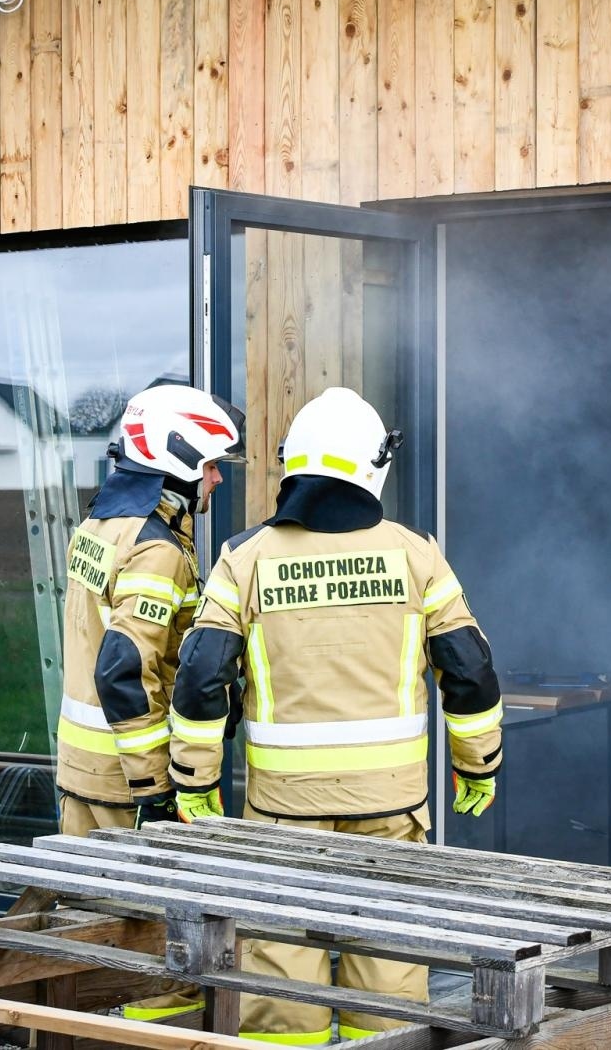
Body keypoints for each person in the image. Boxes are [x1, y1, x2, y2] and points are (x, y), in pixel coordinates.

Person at [168, 387, 504, 1045]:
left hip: (280, 810)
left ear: (293, 462)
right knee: (387, 967)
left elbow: (201, 680)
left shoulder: (244, 559)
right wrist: (479, 766)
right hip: (391, 807)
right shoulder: (416, 555)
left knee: (278, 967)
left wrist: (195, 783)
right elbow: (470, 672)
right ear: (374, 465)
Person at [55, 382, 245, 837]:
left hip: (83, 767)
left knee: (84, 902)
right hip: (127, 784)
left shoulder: (99, 524)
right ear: (177, 460)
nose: (217, 479)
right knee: (136, 911)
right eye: (211, 466)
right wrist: (154, 789)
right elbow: (124, 670)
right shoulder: (155, 550)